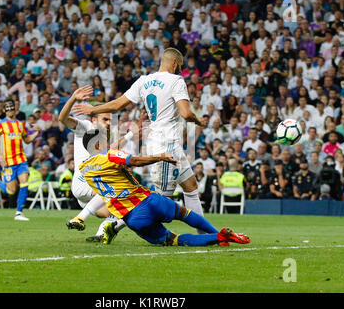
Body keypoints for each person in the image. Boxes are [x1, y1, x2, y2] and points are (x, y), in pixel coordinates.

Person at [73, 48, 207, 233]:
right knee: (161, 201)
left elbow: (118, 103)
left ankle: (205, 232)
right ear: (175, 63)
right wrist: (199, 120)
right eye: (180, 66)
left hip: (164, 142)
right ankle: (114, 224)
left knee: (190, 186)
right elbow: (185, 112)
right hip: (166, 144)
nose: (180, 70)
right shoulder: (177, 81)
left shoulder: (144, 81)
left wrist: (93, 110)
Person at [79, 130, 250, 246]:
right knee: (184, 214)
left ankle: (219, 237)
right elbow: (135, 161)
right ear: (97, 144)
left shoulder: (83, 168)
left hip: (132, 217)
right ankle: (219, 233)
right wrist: (159, 157)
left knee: (173, 240)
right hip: (148, 200)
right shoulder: (109, 155)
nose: (108, 143)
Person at [58, 85, 118, 241]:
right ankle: (80, 218)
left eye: (110, 120)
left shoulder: (106, 135)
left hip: (90, 190)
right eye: (105, 119)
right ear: (93, 119)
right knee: (118, 193)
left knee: (118, 210)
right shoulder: (85, 127)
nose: (109, 123)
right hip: (84, 183)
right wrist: (72, 99)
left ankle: (100, 235)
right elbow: (62, 119)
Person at [0, 99, 41, 221]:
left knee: (25, 182)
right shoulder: (0, 124)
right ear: (4, 111)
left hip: (21, 159)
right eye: (8, 109)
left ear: (15, 109)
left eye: (12, 108)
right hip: (8, 162)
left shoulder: (20, 124)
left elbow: (27, 139)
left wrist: (37, 132)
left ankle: (19, 213)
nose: (10, 110)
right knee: (11, 191)